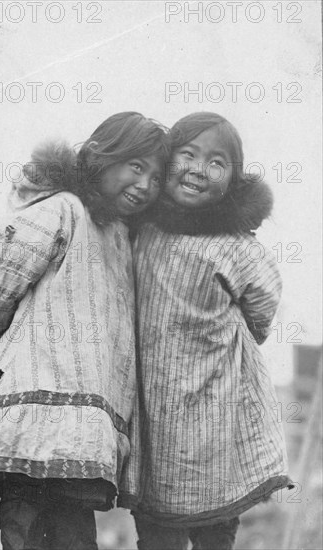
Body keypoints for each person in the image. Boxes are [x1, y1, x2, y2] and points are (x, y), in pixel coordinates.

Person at [0, 112, 169, 550]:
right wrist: (0, 320)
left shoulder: (119, 238)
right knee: (25, 527)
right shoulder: (65, 207)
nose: (145, 184)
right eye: (137, 166)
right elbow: (5, 265)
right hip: (35, 407)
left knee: (75, 536)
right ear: (102, 155)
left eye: (156, 176)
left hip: (78, 436)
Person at [118, 112, 292, 550]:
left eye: (217, 163)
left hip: (218, 409)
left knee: (217, 531)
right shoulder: (142, 229)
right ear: (167, 157)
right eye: (188, 154)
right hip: (156, 414)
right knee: (158, 535)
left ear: (232, 180)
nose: (199, 169)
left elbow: (264, 302)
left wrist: (229, 335)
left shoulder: (234, 245)